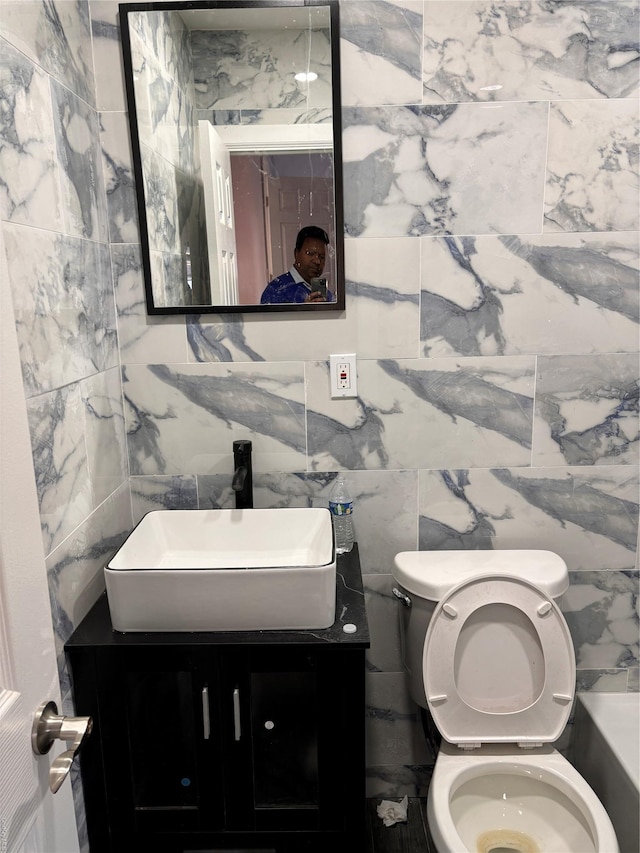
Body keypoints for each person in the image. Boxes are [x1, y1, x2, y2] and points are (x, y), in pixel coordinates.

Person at [261, 226, 335, 304]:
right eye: (310, 253)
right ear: (296, 253)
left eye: (322, 257)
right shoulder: (276, 290)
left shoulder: (326, 295)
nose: (317, 261)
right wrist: (303, 313)